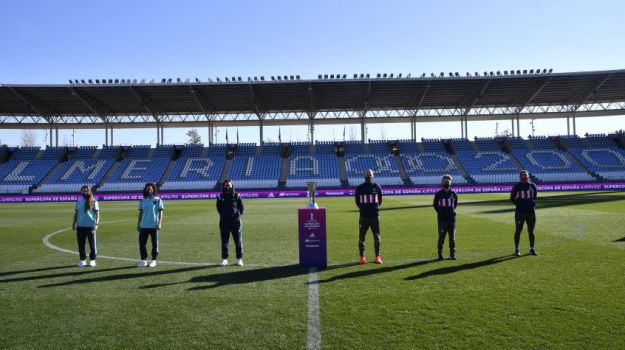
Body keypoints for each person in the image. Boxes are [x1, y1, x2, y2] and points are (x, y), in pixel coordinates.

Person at [355, 169, 383, 264]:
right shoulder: (360, 188)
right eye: (367, 175)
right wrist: (363, 209)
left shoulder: (377, 186)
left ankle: (377, 257)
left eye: (370, 175)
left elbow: (380, 200)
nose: (369, 176)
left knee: (377, 237)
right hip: (363, 217)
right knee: (361, 237)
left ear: (373, 175)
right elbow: (357, 202)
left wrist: (374, 209)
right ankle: (362, 257)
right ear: (364, 176)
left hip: (375, 216)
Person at [216, 180, 245, 266]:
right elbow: (218, 208)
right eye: (226, 185)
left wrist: (236, 215)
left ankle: (239, 259)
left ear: (232, 186)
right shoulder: (220, 196)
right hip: (224, 222)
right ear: (223, 186)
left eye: (229, 185)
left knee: (238, 241)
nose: (227, 187)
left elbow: (241, 208)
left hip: (235, 222)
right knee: (224, 241)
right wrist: (224, 215)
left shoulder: (237, 196)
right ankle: (225, 259)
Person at [510, 170, 538, 256]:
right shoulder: (517, 186)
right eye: (522, 175)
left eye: (525, 175)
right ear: (520, 177)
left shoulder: (532, 186)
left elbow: (535, 196)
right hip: (520, 212)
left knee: (531, 231)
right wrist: (519, 205)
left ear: (528, 176)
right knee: (518, 230)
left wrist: (530, 204)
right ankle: (516, 249)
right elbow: (512, 198)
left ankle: (532, 249)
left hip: (531, 212)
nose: (524, 177)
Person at [137, 182, 164, 267]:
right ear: (145, 190)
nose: (149, 190)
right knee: (142, 243)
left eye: (151, 189)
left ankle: (153, 260)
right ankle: (143, 259)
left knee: (154, 244)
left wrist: (159, 223)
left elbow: (160, 213)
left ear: (153, 190)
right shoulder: (142, 200)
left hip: (154, 226)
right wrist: (138, 224)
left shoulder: (158, 199)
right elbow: (140, 213)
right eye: (148, 189)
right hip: (144, 225)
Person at [72, 185, 100, 267]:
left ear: (89, 191)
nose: (85, 192)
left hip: (90, 226)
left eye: (86, 191)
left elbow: (97, 214)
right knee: (81, 244)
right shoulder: (78, 201)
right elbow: (76, 213)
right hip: (80, 226)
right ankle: (82, 260)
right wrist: (74, 223)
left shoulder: (94, 201)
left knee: (92, 244)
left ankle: (92, 260)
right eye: (83, 191)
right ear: (81, 192)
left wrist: (97, 224)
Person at [433, 175, 458, 260]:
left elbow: (455, 205)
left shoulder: (453, 193)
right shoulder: (439, 194)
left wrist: (450, 212)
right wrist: (441, 212)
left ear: (451, 182)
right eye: (445, 182)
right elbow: (435, 205)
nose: (446, 183)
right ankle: (440, 254)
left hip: (452, 219)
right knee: (441, 237)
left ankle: (452, 254)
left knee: (452, 238)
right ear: (442, 182)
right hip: (442, 220)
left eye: (448, 182)